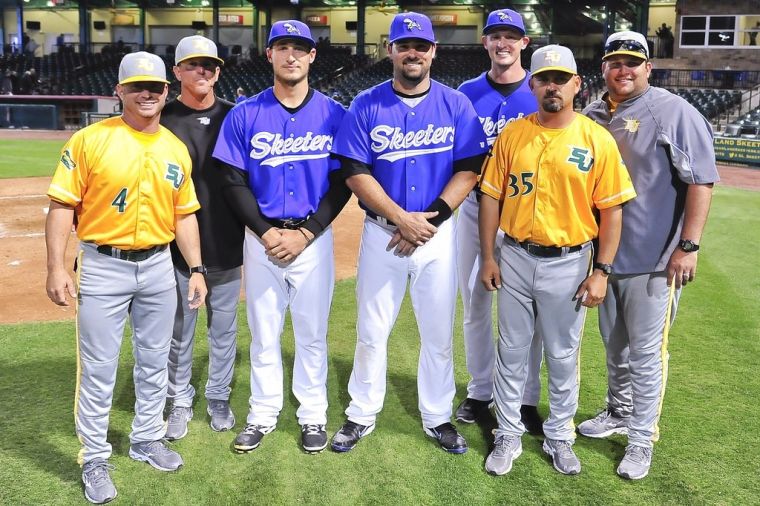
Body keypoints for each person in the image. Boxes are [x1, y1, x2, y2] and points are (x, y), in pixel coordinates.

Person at [45, 51, 207, 504]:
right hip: (103, 265)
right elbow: (61, 207)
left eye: (154, 87)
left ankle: (145, 438)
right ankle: (95, 457)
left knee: (156, 359)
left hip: (159, 266)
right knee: (99, 368)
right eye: (136, 86)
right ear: (118, 91)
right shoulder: (89, 140)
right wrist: (57, 266)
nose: (146, 93)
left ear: (165, 92)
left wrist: (195, 268)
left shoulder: (175, 148)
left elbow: (185, 215)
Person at [330, 12, 488, 454]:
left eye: (421, 46)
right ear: (391, 51)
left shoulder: (455, 104)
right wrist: (402, 218)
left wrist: (429, 218)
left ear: (433, 52)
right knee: (371, 330)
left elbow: (470, 167)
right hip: (383, 234)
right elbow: (354, 171)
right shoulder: (366, 104)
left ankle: (437, 417)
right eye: (404, 45)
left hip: (437, 237)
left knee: (438, 332)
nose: (412, 52)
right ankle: (361, 412)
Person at [478, 44, 636, 477]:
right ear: (532, 84)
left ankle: (560, 436)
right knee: (511, 351)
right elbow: (491, 197)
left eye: (560, 78)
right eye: (544, 78)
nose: (552, 86)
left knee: (562, 356)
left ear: (576, 84)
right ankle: (508, 434)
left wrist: (600, 271)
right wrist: (489, 256)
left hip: (569, 261)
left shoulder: (595, 138)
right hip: (513, 255)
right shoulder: (513, 134)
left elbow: (612, 210)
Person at [580, 30, 719, 480]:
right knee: (614, 347)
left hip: (655, 259)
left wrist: (688, 246)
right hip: (603, 260)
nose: (624, 70)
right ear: (603, 67)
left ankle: (641, 439)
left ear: (648, 67)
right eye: (615, 62)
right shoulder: (593, 113)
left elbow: (700, 181)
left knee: (645, 353)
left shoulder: (672, 111)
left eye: (633, 62)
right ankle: (618, 412)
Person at [213, 20, 350, 454]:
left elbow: (344, 181)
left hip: (313, 239)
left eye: (300, 48)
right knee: (264, 331)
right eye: (282, 47)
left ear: (312, 56)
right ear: (269, 55)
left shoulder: (334, 113)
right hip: (262, 240)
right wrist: (265, 230)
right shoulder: (245, 113)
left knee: (312, 332)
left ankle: (312, 415)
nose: (291, 55)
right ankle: (263, 413)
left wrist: (308, 232)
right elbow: (232, 179)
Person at [454, 8, 542, 432]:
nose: (503, 43)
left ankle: (526, 397)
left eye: (512, 36)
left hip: (524, 215)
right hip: (472, 209)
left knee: (528, 311)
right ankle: (479, 390)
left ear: (525, 43)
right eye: (495, 36)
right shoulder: (465, 92)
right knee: (475, 304)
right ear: (485, 43)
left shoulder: (540, 90)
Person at [159, 35, 244, 441]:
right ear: (176, 72)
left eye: (209, 64)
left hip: (227, 242)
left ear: (218, 71)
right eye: (193, 64)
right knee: (179, 331)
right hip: (175, 248)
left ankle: (218, 396)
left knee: (224, 331)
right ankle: (179, 400)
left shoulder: (236, 116)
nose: (203, 70)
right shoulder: (160, 119)